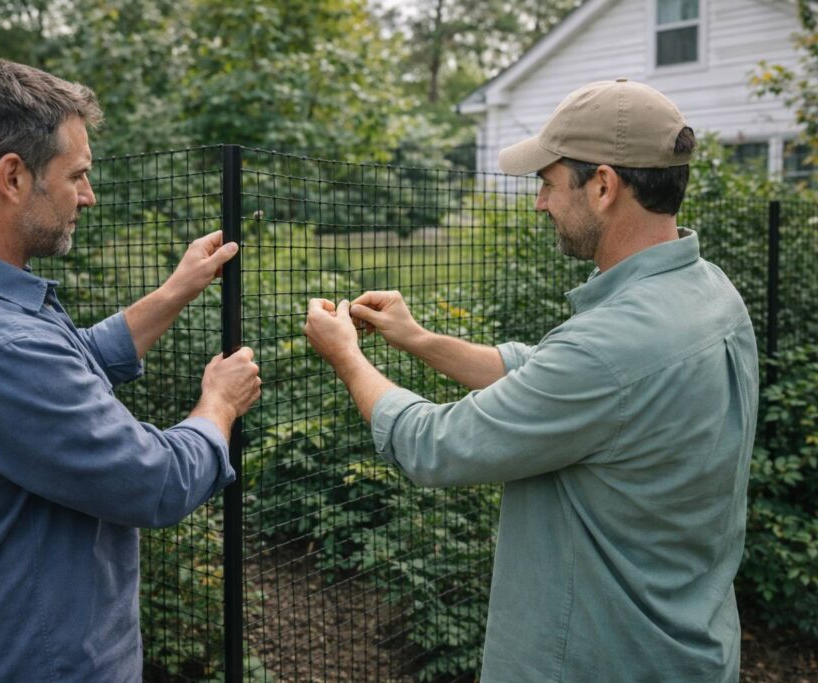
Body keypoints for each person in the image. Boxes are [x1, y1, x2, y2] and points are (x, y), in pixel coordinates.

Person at [304, 79, 758, 681]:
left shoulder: (611, 348)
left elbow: (433, 446)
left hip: (599, 659)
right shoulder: (707, 291)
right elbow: (543, 374)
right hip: (688, 647)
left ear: (602, 186)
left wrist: (347, 358)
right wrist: (416, 338)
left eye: (548, 182)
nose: (540, 203)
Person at [0, 60, 261, 681]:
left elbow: (66, 362)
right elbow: (153, 481)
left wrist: (175, 291)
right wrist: (220, 404)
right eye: (76, 175)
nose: (88, 195)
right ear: (14, 177)